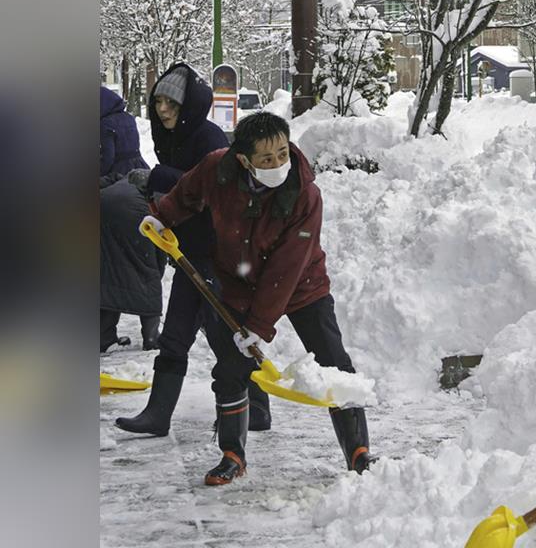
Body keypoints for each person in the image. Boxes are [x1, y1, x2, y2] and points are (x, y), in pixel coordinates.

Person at [142, 111, 374, 485]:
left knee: (334, 363)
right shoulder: (218, 169)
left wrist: (259, 326)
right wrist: (162, 216)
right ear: (243, 159)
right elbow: (187, 193)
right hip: (238, 281)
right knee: (231, 368)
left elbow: (288, 265)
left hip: (301, 284)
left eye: (283, 152)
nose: (278, 163)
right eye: (267, 159)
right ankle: (232, 454)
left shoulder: (304, 193)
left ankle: (359, 451)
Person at [116, 63, 271, 436]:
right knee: (176, 336)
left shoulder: (210, 138)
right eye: (158, 102)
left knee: (224, 335)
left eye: (171, 103)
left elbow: (211, 191)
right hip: (190, 253)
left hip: (219, 256)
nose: (163, 110)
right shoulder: (173, 139)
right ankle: (158, 415)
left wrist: (158, 178)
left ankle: (258, 408)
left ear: (189, 105)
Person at [100, 85, 162, 351]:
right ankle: (150, 335)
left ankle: (104, 335)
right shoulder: (125, 118)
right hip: (140, 181)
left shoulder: (103, 125)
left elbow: (105, 160)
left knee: (108, 267)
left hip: (115, 189)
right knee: (145, 262)